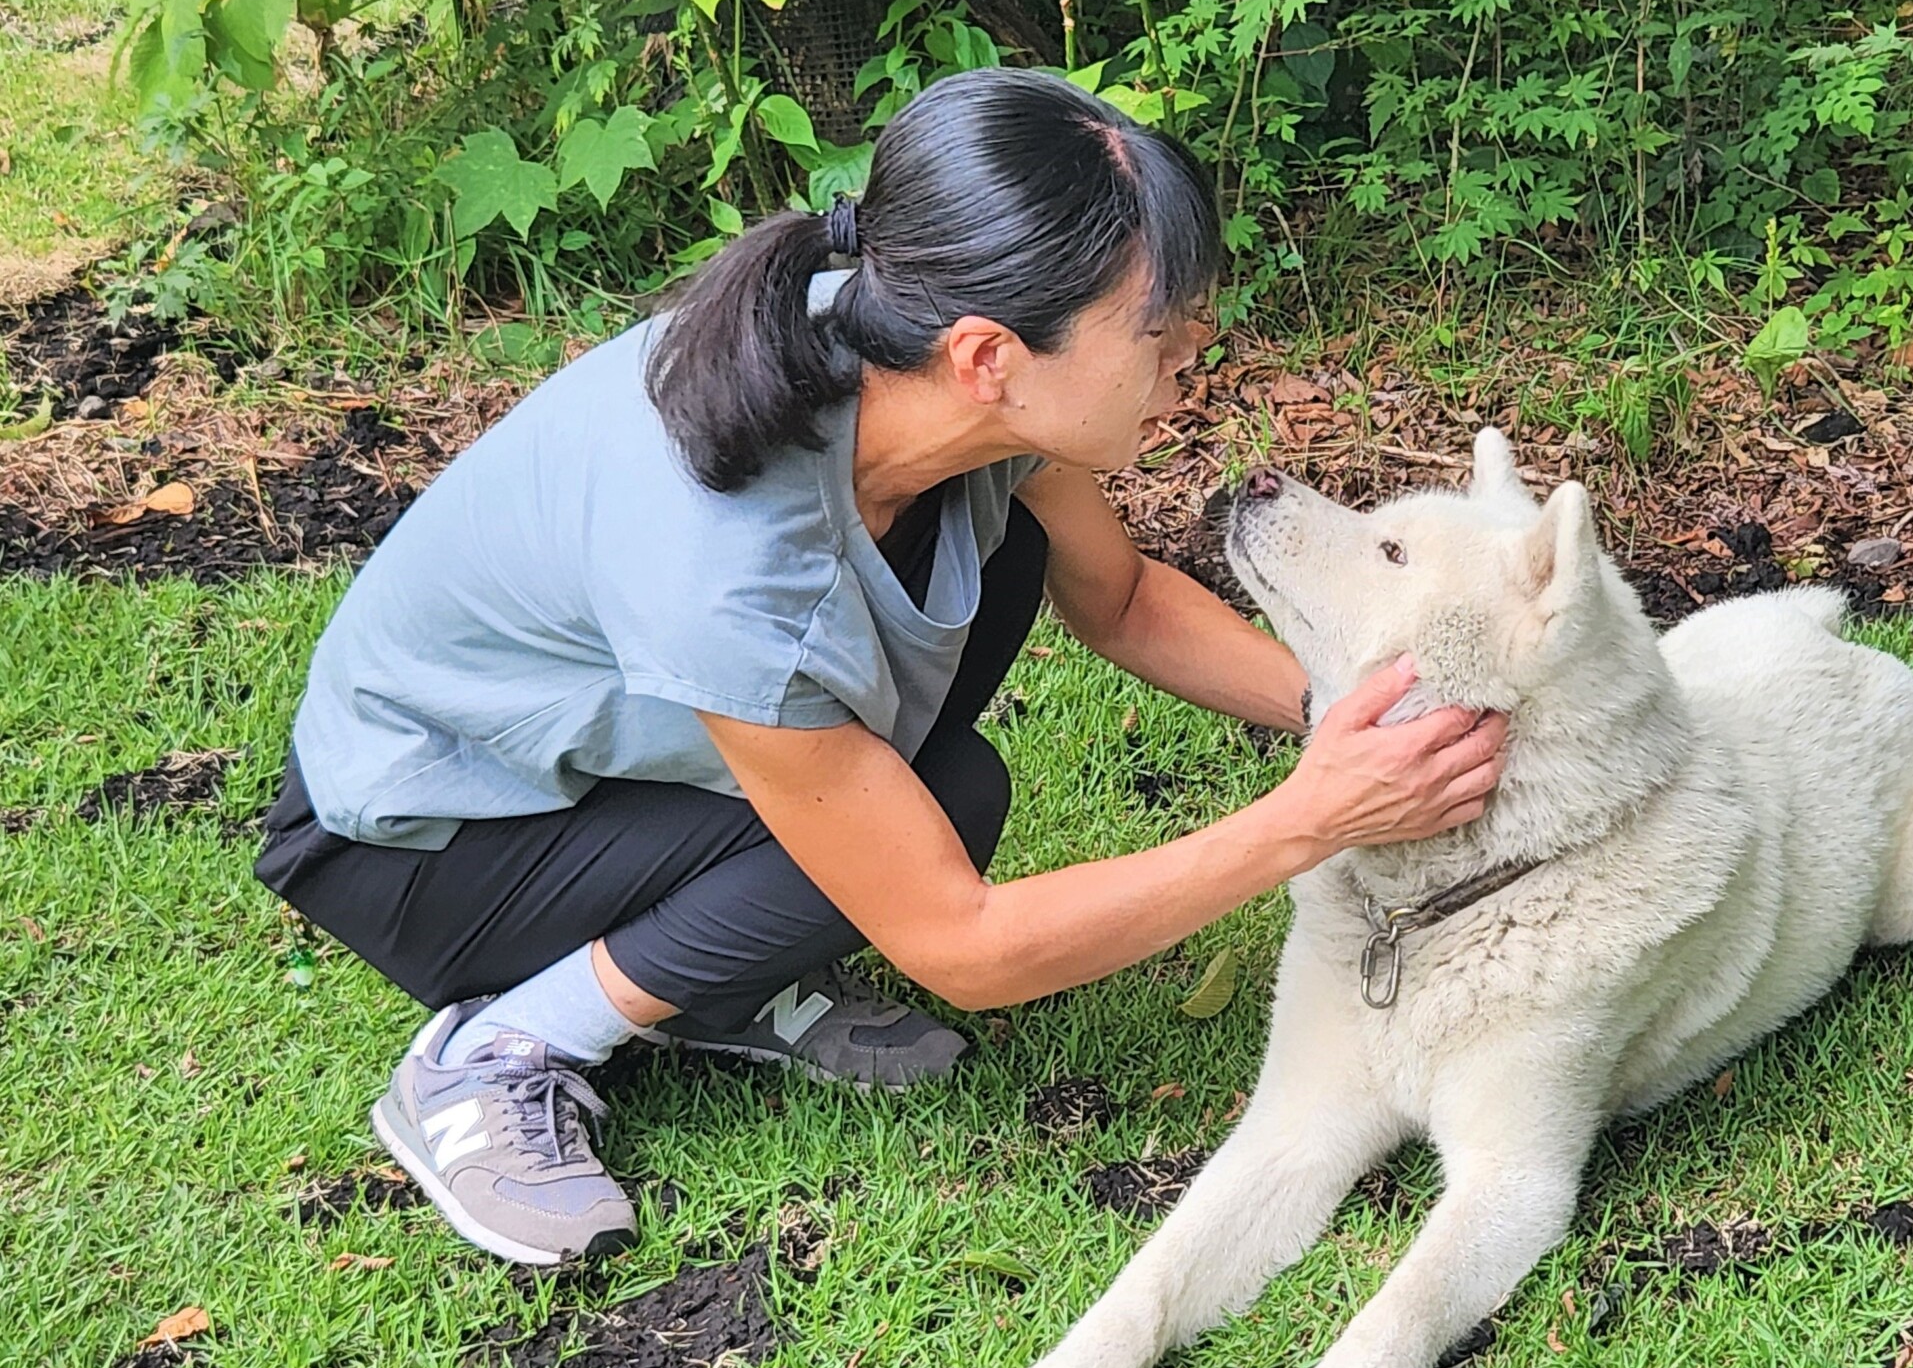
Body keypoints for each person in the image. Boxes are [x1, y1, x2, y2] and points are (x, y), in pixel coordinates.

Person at [254, 67, 1507, 1269]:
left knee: (955, 763)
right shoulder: (736, 567)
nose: (1195, 363)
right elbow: (967, 951)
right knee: (932, 844)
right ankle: (503, 1048)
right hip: (431, 844)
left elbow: (1120, 602)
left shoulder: (919, 371)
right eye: (1159, 335)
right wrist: (1309, 817)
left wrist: (1354, 712)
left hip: (613, 768)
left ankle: (715, 989)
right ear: (987, 354)